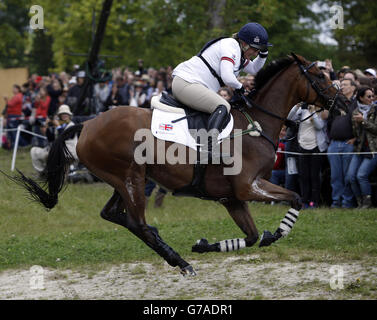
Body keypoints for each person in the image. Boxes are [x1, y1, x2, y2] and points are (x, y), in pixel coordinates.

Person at [171, 22, 272, 157]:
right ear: (244, 44)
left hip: (191, 84)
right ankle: (209, 149)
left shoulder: (239, 53)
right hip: (186, 83)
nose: (256, 53)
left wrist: (263, 55)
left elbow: (254, 69)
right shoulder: (230, 46)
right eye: (255, 49)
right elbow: (227, 77)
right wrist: (240, 87)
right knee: (222, 105)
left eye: (258, 50)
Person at [289, 103, 329, 209]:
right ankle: (304, 200)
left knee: (314, 176)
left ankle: (314, 201)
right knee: (303, 176)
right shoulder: (302, 111)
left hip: (316, 147)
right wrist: (296, 106)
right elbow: (290, 118)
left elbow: (319, 126)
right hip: (302, 146)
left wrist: (313, 113)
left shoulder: (321, 112)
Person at [327, 78, 358, 208]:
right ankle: (336, 202)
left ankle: (347, 203)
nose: (342, 87)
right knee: (335, 176)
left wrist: (356, 139)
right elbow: (328, 122)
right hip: (334, 144)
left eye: (345, 85)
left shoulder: (356, 103)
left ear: (353, 88)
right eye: (342, 85)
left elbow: (360, 125)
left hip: (348, 144)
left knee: (347, 176)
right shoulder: (336, 102)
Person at [345, 86, 377, 208]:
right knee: (351, 176)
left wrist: (363, 121)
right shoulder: (355, 112)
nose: (372, 98)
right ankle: (359, 202)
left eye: (372, 96)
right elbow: (357, 133)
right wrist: (355, 138)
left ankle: (367, 203)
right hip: (360, 149)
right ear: (361, 98)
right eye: (368, 96)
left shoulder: (376, 110)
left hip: (373, 149)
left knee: (361, 175)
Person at [30, 104, 79, 176]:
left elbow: (65, 137)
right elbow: (51, 139)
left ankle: (62, 171)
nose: (64, 115)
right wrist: (47, 126)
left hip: (69, 153)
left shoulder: (72, 125)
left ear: (69, 115)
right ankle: (43, 173)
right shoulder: (59, 125)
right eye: (62, 114)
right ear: (60, 115)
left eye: (66, 113)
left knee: (52, 155)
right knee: (34, 151)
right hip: (58, 151)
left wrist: (58, 126)